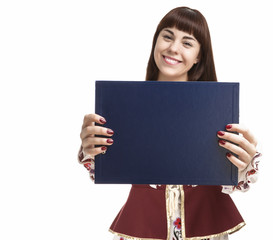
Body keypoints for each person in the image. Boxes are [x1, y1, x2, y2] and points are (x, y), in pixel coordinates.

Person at [78, 6, 261, 240]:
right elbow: (107, 167)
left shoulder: (216, 111)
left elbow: (234, 176)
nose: (173, 48)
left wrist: (243, 165)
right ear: (155, 42)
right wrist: (92, 147)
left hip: (204, 227)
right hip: (144, 226)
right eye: (167, 36)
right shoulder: (125, 106)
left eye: (187, 42)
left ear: (199, 56)